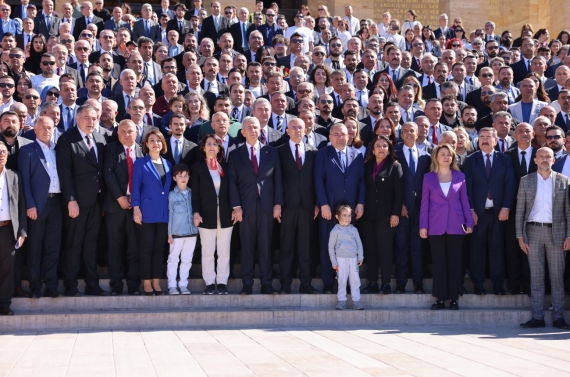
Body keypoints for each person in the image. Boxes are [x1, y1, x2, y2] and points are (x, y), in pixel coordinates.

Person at [55, 104, 107, 297]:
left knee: (91, 243)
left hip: (96, 202)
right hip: (76, 202)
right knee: (74, 243)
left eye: (94, 118)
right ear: (77, 118)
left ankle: (92, 284)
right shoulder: (67, 139)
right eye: (87, 117)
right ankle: (71, 285)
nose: (91, 122)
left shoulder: (100, 139)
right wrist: (71, 199)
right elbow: (64, 172)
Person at [228, 116, 283, 295]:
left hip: (267, 207)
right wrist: (236, 207)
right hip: (245, 207)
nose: (253, 130)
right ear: (243, 132)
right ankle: (247, 284)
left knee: (266, 246)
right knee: (247, 246)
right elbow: (232, 183)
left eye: (256, 127)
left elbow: (277, 180)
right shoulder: (235, 154)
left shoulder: (271, 151)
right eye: (249, 128)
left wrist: (278, 204)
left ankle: (267, 283)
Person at [517, 147, 570, 330]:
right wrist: (519, 236)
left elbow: (568, 212)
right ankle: (537, 317)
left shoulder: (564, 181)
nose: (545, 159)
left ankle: (558, 318)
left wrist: (569, 235)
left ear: (554, 160)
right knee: (537, 278)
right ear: (535, 160)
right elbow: (520, 211)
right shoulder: (526, 181)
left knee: (557, 279)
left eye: (548, 157)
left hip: (557, 233)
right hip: (533, 233)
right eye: (541, 157)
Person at [420, 143, 473, 310]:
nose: (446, 157)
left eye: (449, 154)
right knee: (439, 262)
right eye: (442, 154)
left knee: (455, 262)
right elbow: (424, 203)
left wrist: (469, 222)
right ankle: (440, 299)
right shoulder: (428, 177)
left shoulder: (460, 176)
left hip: (456, 225)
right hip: (435, 225)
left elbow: (464, 201)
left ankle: (455, 298)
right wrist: (423, 226)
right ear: (436, 157)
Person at [464, 127, 515, 295]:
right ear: (478, 140)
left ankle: (498, 284)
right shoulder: (470, 160)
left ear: (495, 140)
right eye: (482, 137)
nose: (485, 140)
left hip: (498, 212)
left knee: (497, 248)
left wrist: (506, 207)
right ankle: (478, 283)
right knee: (477, 249)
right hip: (478, 213)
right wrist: (470, 210)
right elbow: (467, 188)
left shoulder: (505, 159)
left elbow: (509, 185)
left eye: (488, 137)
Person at [314, 123, 365, 294]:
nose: (340, 137)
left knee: (350, 247)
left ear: (349, 136)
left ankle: (350, 283)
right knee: (327, 244)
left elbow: (361, 181)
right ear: (329, 137)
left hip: (351, 210)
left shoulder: (357, 155)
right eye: (336, 134)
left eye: (343, 134)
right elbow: (318, 181)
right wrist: (323, 204)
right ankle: (328, 283)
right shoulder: (322, 154)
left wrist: (360, 203)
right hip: (329, 208)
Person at [276, 118, 319, 294]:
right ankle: (285, 284)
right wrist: (278, 203)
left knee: (305, 246)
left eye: (300, 127)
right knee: (286, 246)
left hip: (307, 206)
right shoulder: (278, 151)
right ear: (287, 131)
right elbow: (276, 180)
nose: (297, 130)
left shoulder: (313, 152)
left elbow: (316, 179)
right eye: (293, 127)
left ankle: (306, 283)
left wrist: (317, 203)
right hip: (287, 205)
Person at [102, 119, 143, 296]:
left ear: (136, 133)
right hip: (115, 206)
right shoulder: (111, 149)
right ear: (117, 134)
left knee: (134, 247)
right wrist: (120, 197)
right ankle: (116, 285)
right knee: (115, 247)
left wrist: (136, 201)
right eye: (123, 131)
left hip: (137, 207)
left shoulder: (143, 150)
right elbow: (108, 174)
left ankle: (134, 285)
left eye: (130, 131)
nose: (127, 134)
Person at [191, 134, 234, 295]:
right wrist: (196, 212)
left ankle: (222, 282)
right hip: (205, 214)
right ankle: (209, 283)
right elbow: (194, 193)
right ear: (203, 147)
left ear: (219, 148)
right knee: (207, 251)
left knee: (224, 251)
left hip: (225, 214)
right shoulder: (197, 167)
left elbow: (232, 190)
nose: (211, 147)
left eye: (215, 144)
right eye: (208, 144)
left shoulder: (226, 167)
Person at [361, 135, 403, 294]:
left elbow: (399, 193)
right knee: (371, 249)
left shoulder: (395, 166)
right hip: (368, 215)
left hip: (386, 216)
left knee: (384, 249)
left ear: (389, 149)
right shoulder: (366, 165)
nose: (381, 148)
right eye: (378, 145)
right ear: (372, 148)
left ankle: (385, 283)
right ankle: (372, 282)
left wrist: (395, 214)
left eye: (384, 146)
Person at [131, 129, 172, 296]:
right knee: (146, 248)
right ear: (146, 144)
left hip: (163, 213)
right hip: (146, 212)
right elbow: (136, 188)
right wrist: (136, 208)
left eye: (159, 140)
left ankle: (156, 281)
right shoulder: (140, 163)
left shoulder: (168, 164)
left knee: (159, 249)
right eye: (152, 140)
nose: (156, 143)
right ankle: (146, 282)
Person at [393, 122, 432, 294]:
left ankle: (418, 283)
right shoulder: (395, 154)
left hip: (421, 208)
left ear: (418, 134)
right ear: (401, 135)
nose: (409, 133)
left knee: (418, 246)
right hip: (402, 207)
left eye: (412, 131)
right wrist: (399, 203)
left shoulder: (427, 156)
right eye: (405, 131)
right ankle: (401, 283)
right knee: (401, 246)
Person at [504, 123, 536, 295]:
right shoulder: (506, 156)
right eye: (520, 131)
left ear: (533, 134)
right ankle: (515, 285)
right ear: (514, 136)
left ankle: (530, 285)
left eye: (527, 131)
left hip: (535, 208)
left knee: (532, 248)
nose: (524, 134)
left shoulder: (541, 154)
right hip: (513, 208)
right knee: (513, 246)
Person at [0, 139, 26, 315]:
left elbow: (21, 205)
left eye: (3, 152)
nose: (1, 154)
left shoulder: (14, 176)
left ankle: (4, 304)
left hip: (8, 230)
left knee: (7, 270)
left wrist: (22, 231)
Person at [167, 163, 198, 295]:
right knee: (173, 259)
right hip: (177, 233)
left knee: (187, 259)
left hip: (191, 233)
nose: (183, 178)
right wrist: (169, 233)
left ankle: (183, 284)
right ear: (174, 178)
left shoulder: (193, 194)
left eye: (185, 175)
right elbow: (170, 214)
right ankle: (172, 285)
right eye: (180, 176)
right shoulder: (171, 196)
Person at [328, 203, 363, 310]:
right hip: (340, 259)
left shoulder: (354, 230)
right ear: (337, 216)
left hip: (353, 259)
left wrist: (360, 257)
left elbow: (359, 244)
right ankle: (341, 300)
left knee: (355, 279)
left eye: (349, 216)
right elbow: (331, 247)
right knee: (342, 280)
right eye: (344, 215)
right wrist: (334, 262)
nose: (347, 218)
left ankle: (356, 300)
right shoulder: (335, 231)